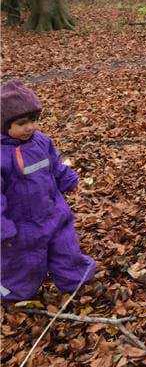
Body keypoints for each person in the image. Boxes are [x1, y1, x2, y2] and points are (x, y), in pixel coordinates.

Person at [0, 80, 95, 302]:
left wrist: (67, 179)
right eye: (22, 123)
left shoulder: (41, 142)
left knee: (66, 250)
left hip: (54, 212)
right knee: (24, 263)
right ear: (4, 125)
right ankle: (14, 295)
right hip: (22, 225)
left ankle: (76, 282)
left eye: (33, 120)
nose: (30, 127)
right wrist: (4, 229)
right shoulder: (2, 156)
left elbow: (55, 165)